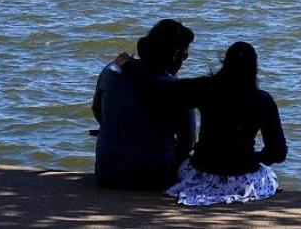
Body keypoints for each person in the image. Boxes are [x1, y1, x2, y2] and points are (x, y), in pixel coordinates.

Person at [117, 41, 287, 206]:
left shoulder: (205, 88)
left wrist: (128, 65)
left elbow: (160, 89)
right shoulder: (263, 100)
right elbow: (278, 152)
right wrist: (250, 159)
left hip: (202, 171)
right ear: (254, 69)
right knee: (268, 177)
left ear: (224, 63)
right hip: (242, 177)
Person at [92, 19, 196, 190]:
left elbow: (97, 110)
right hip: (155, 177)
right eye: (184, 56)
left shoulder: (111, 72)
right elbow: (188, 141)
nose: (184, 61)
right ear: (175, 55)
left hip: (108, 172)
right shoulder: (179, 90)